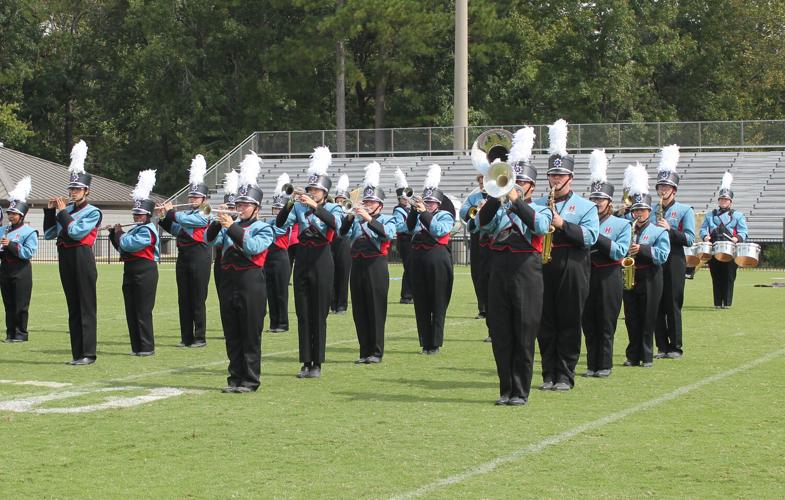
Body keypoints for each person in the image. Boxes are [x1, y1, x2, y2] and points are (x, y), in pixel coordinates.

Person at [479, 126, 552, 406]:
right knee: (501, 332)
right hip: (499, 270)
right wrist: (495, 196)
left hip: (526, 271)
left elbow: (540, 226)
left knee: (523, 331)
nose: (516, 184)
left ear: (531, 186)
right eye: (514, 180)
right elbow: (482, 224)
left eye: (521, 181)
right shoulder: (500, 208)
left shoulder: (541, 208)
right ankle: (505, 389)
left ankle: (520, 391)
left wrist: (516, 200)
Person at [536, 119, 599, 391]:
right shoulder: (538, 203)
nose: (556, 179)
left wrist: (562, 224)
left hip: (572, 266)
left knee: (569, 321)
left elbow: (591, 236)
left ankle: (564, 374)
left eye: (560, 176)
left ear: (570, 178)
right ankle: (548, 373)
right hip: (542, 267)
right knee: (545, 323)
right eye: (552, 175)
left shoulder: (586, 206)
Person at [207, 152, 275, 393]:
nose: (241, 208)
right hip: (229, 282)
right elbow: (209, 240)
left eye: (245, 204)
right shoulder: (229, 225)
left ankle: (250, 379)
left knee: (249, 332)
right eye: (239, 204)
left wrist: (232, 227)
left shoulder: (264, 228)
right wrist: (218, 222)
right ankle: (234, 377)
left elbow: (253, 247)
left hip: (251, 283)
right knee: (232, 332)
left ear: (256, 207)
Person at [276, 146, 342, 378]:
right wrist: (289, 203)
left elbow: (337, 224)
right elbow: (280, 224)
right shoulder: (299, 207)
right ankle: (305, 361)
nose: (312, 193)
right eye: (311, 189)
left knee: (319, 313)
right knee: (303, 312)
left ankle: (317, 363)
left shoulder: (333, 207)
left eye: (316, 190)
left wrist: (315, 207)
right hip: (303, 258)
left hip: (322, 258)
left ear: (324, 192)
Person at [43, 140, 102, 365]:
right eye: (72, 189)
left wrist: (62, 213)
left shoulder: (93, 212)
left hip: (81, 257)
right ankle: (77, 353)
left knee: (85, 306)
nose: (73, 192)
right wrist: (50, 212)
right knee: (73, 306)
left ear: (87, 190)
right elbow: (49, 234)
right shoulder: (65, 210)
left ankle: (88, 353)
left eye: (77, 189)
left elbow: (76, 233)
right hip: (65, 258)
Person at [340, 162, 397, 364]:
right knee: (359, 309)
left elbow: (387, 234)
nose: (368, 204)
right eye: (366, 201)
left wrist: (369, 219)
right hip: (357, 265)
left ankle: (376, 351)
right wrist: (350, 217)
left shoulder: (388, 219)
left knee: (375, 309)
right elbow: (342, 233)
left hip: (376, 266)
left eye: (372, 202)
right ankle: (364, 350)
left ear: (380, 205)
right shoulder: (356, 219)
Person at [582, 150, 631, 378]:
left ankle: (604, 365)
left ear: (609, 202)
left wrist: (596, 236)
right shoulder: (583, 220)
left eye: (600, 199)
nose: (596, 202)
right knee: (588, 321)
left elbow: (619, 251)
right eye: (593, 198)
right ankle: (591, 364)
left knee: (605, 322)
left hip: (608, 276)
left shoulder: (621, 225)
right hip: (586, 274)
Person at [158, 154, 211, 348]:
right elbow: (177, 230)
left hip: (199, 256)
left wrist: (171, 213)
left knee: (197, 297)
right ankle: (186, 336)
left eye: (196, 196)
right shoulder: (186, 213)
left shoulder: (206, 211)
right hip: (184, 257)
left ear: (204, 198)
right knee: (184, 298)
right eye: (191, 196)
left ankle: (200, 337)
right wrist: (163, 218)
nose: (193, 198)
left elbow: (193, 221)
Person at [623, 164, 671, 367]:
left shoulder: (659, 231)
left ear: (649, 211)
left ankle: (647, 355)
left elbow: (662, 255)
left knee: (648, 317)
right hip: (630, 275)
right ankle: (633, 355)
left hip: (651, 277)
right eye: (636, 210)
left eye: (642, 210)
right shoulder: (627, 228)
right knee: (631, 317)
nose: (639, 214)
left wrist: (641, 249)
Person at [108, 170, 160, 356]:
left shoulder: (148, 231)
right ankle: (136, 346)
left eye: (140, 215)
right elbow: (122, 248)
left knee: (143, 310)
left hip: (145, 271)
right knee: (131, 310)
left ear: (148, 215)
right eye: (135, 214)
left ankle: (146, 347)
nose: (137, 217)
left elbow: (128, 244)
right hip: (130, 271)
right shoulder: (134, 230)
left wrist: (120, 234)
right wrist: (113, 234)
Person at [651, 145, 695, 359]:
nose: (663, 190)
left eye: (667, 187)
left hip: (675, 260)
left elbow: (689, 238)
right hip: (654, 259)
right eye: (660, 186)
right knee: (656, 303)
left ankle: (675, 346)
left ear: (674, 190)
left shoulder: (685, 210)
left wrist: (669, 230)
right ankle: (661, 346)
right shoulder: (651, 210)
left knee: (673, 303)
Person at [407, 164, 455, 355]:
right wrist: (414, 210)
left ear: (438, 204)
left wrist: (424, 213)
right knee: (421, 301)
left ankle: (435, 343)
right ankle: (424, 342)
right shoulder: (419, 215)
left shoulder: (445, 215)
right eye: (426, 201)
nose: (428, 204)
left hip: (437, 258)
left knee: (438, 300)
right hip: (418, 257)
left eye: (431, 202)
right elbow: (409, 228)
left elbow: (438, 230)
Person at [701, 172, 748, 309]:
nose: (723, 202)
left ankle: (727, 303)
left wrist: (737, 238)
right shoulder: (710, 215)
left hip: (730, 249)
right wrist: (705, 236)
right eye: (721, 199)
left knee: (729, 276)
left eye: (726, 200)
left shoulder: (738, 216)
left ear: (730, 202)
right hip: (714, 248)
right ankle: (717, 303)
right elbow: (703, 229)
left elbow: (744, 232)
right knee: (716, 276)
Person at [1, 176, 38, 343]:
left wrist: (10, 244)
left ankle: (21, 333)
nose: (11, 216)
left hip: (21, 270)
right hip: (5, 269)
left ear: (21, 215)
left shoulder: (29, 232)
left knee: (20, 304)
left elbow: (28, 252)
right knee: (8, 303)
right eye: (10, 213)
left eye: (14, 214)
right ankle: (10, 333)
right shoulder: (2, 229)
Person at [266, 173, 295, 333]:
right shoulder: (269, 222)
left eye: (279, 208)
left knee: (280, 292)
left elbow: (274, 231)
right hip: (268, 258)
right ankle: (273, 322)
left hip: (281, 257)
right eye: (275, 208)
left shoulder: (286, 221)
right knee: (270, 292)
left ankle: (283, 323)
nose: (277, 211)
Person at [460, 174, 489, 321]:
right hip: (477, 236)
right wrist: (476, 209)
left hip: (493, 236)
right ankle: (482, 308)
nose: (482, 186)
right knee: (477, 272)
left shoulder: (499, 195)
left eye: (485, 182)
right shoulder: (474, 197)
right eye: (481, 183)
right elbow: (463, 211)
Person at [213, 170, 239, 294]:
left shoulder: (242, 222)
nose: (230, 210)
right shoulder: (219, 222)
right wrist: (220, 221)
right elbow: (215, 241)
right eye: (228, 207)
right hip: (221, 262)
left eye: (233, 207)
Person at [331, 174, 352, 314]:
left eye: (343, 200)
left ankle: (341, 305)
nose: (340, 202)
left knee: (343, 274)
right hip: (331, 241)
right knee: (331, 273)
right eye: (338, 199)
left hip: (344, 242)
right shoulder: (332, 210)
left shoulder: (349, 212)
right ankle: (332, 304)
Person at [392, 168, 413, 304]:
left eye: (407, 197)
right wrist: (411, 225)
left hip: (411, 240)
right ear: (399, 198)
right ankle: (406, 295)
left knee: (413, 267)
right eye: (404, 197)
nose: (406, 199)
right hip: (405, 240)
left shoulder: (409, 209)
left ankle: (410, 294)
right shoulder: (398, 210)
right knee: (409, 267)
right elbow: (399, 226)